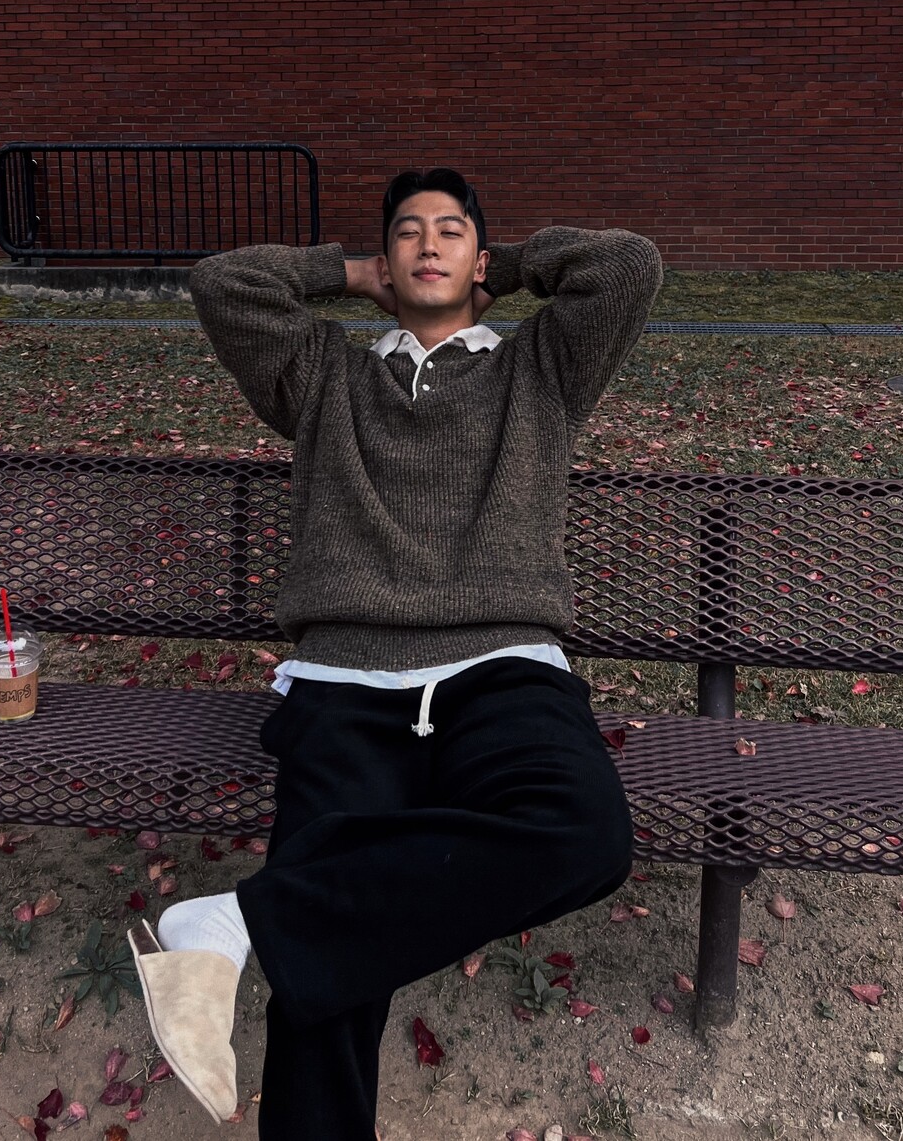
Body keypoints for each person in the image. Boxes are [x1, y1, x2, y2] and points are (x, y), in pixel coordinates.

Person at [128, 168, 663, 1138]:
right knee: (328, 983)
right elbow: (223, 283)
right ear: (384, 260)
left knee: (586, 833)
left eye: (451, 230)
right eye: (407, 231)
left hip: (503, 668)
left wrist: (513, 264)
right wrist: (345, 272)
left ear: (480, 259)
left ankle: (237, 922)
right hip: (346, 679)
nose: (427, 244)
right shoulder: (325, 377)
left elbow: (626, 267)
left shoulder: (541, 368)